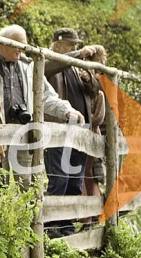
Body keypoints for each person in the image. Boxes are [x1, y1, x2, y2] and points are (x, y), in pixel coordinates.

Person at [0, 25, 83, 179]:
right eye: (18, 45)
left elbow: (45, 96)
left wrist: (66, 110)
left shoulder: (29, 66)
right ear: (3, 43)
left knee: (26, 184)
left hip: (23, 131)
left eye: (24, 46)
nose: (21, 50)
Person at [43, 28, 106, 236]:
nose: (75, 48)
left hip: (81, 131)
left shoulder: (75, 65)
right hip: (59, 129)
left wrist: (89, 78)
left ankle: (65, 224)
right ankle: (51, 224)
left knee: (75, 180)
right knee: (59, 177)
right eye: (71, 45)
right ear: (57, 44)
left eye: (76, 45)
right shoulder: (48, 59)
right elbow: (48, 67)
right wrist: (77, 56)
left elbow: (96, 91)